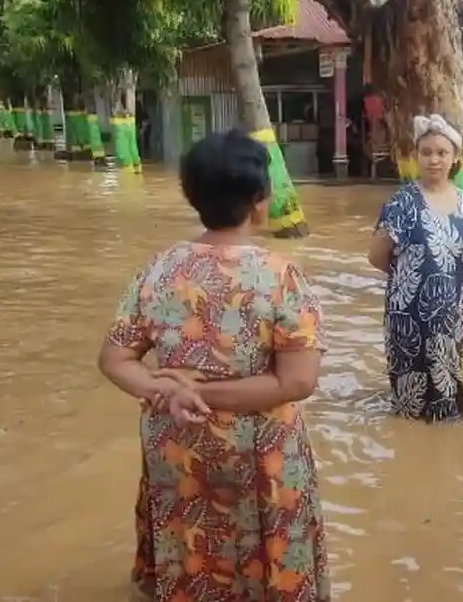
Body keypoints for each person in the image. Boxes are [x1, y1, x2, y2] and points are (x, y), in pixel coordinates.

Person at [97, 129, 330, 602]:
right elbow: (298, 380)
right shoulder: (280, 276)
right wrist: (205, 395)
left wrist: (172, 392)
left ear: (192, 196)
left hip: (178, 446)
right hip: (260, 451)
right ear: (259, 200)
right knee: (266, 555)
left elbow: (115, 359)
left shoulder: (159, 269)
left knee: (191, 546)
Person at [368, 115, 463, 423]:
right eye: (426, 152)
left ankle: (444, 452)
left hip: (450, 314)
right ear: (416, 156)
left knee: (447, 392)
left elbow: (462, 252)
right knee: (410, 399)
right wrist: (410, 274)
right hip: (408, 318)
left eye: (441, 153)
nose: (434, 160)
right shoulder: (402, 202)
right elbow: (376, 257)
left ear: (454, 157)